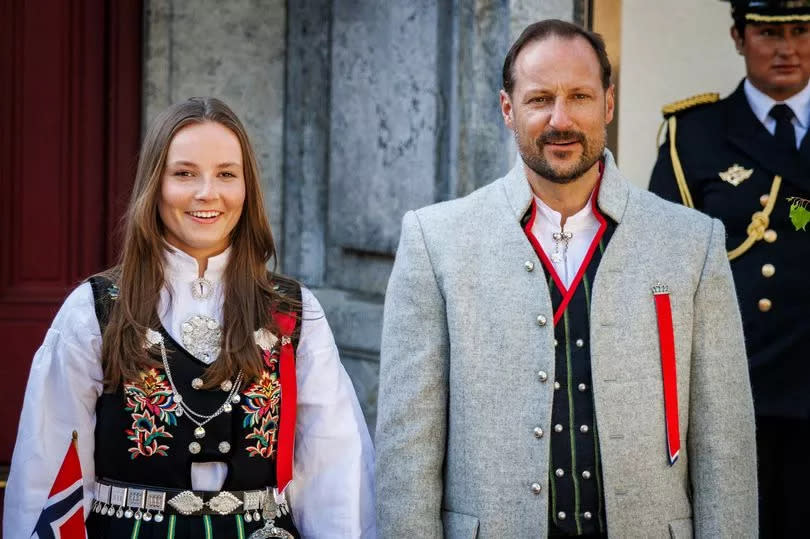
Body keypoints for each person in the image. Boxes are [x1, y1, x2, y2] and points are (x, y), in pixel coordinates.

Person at [376, 19, 757, 538]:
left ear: (608, 104)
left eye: (579, 96)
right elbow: (407, 450)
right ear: (508, 109)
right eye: (539, 99)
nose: (561, 119)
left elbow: (725, 445)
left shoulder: (692, 243)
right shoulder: (435, 240)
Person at [3, 97, 375, 538]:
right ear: (154, 185)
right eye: (184, 174)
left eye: (225, 174)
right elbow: (48, 471)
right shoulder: (95, 310)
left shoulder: (293, 311)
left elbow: (334, 469)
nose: (206, 193)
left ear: (247, 187)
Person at [648, 1, 810, 536]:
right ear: (739, 37)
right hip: (740, 391)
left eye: (801, 30)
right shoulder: (694, 134)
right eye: (768, 33)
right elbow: (663, 267)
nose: (786, 48)